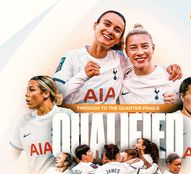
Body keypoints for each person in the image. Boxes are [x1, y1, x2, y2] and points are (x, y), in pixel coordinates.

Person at [53, 11, 182, 104]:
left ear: (118, 40)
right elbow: (53, 97)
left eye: (117, 29)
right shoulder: (71, 57)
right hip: (75, 132)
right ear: (95, 25)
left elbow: (142, 62)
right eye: (106, 24)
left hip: (108, 135)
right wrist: (83, 75)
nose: (110, 30)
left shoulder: (120, 59)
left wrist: (168, 69)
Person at [10, 75, 73, 174]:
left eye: (31, 90)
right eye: (27, 90)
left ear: (46, 93)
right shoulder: (24, 120)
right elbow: (11, 155)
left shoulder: (67, 115)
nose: (27, 94)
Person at [119, 24, 181, 104]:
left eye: (144, 46)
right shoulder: (121, 80)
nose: (140, 52)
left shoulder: (171, 77)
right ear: (127, 52)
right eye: (133, 48)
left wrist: (180, 104)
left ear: (153, 48)